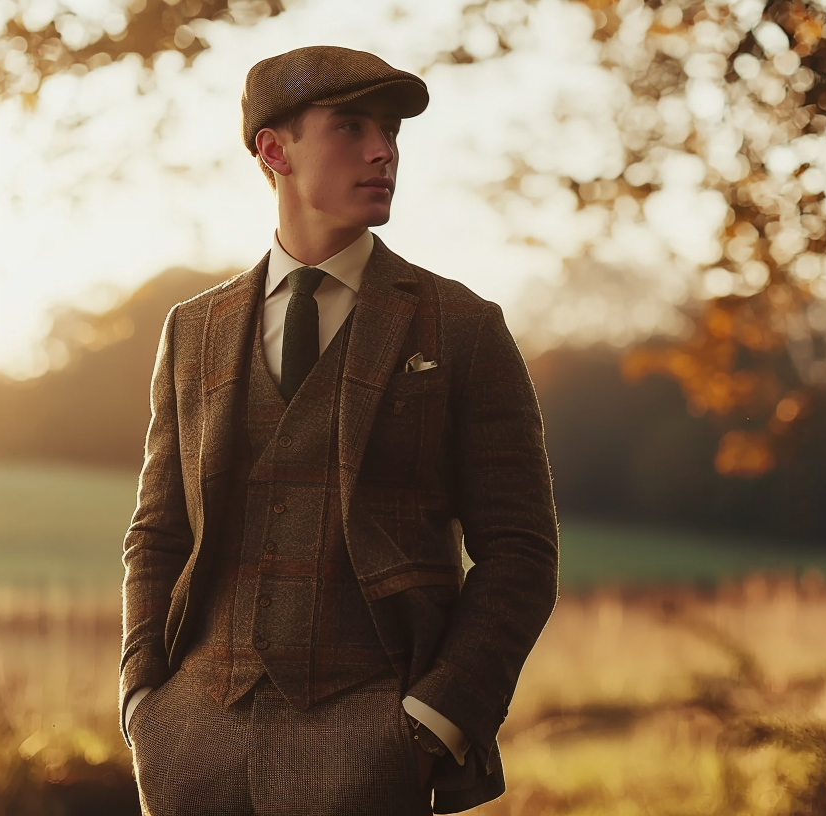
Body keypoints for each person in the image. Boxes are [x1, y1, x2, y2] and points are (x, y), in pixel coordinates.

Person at [117, 45, 560, 816]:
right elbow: (158, 531)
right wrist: (143, 699)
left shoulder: (463, 326)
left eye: (390, 131)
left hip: (376, 733)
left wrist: (439, 714)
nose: (384, 149)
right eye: (351, 127)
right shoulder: (194, 329)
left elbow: (520, 550)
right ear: (274, 149)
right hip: (192, 739)